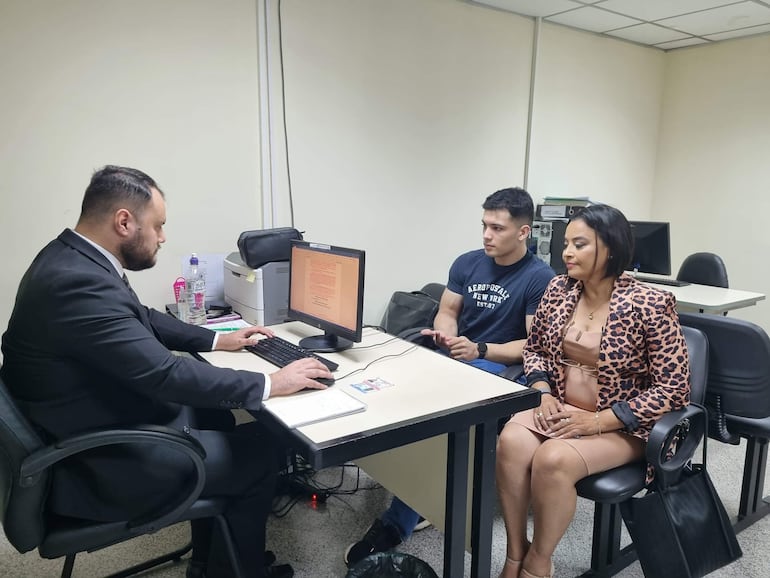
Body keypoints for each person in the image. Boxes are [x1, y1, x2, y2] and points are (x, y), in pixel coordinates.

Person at [0, 166, 334, 578]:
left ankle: (211, 561)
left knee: (219, 417)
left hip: (89, 421)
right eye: (157, 226)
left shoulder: (70, 258)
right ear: (124, 221)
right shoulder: (76, 283)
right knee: (260, 457)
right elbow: (165, 376)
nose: (162, 237)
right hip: (97, 463)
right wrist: (272, 382)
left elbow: (141, 317)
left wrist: (216, 339)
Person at [344, 187, 554, 567]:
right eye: (484, 225)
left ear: (524, 232)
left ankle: (399, 521)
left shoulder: (540, 278)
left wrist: (480, 349)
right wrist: (447, 333)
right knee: (390, 385)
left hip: (501, 368)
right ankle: (412, 481)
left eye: (497, 228)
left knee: (437, 419)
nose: (487, 235)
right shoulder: (467, 262)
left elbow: (533, 344)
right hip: (459, 356)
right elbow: (447, 310)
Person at [495, 204, 691, 578]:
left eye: (580, 244)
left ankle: (538, 562)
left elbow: (675, 387)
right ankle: (515, 554)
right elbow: (534, 348)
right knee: (511, 441)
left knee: (552, 459)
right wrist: (543, 391)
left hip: (624, 425)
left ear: (611, 248)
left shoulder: (650, 303)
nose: (567, 252)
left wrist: (599, 420)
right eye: (567, 243)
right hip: (562, 407)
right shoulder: (558, 288)